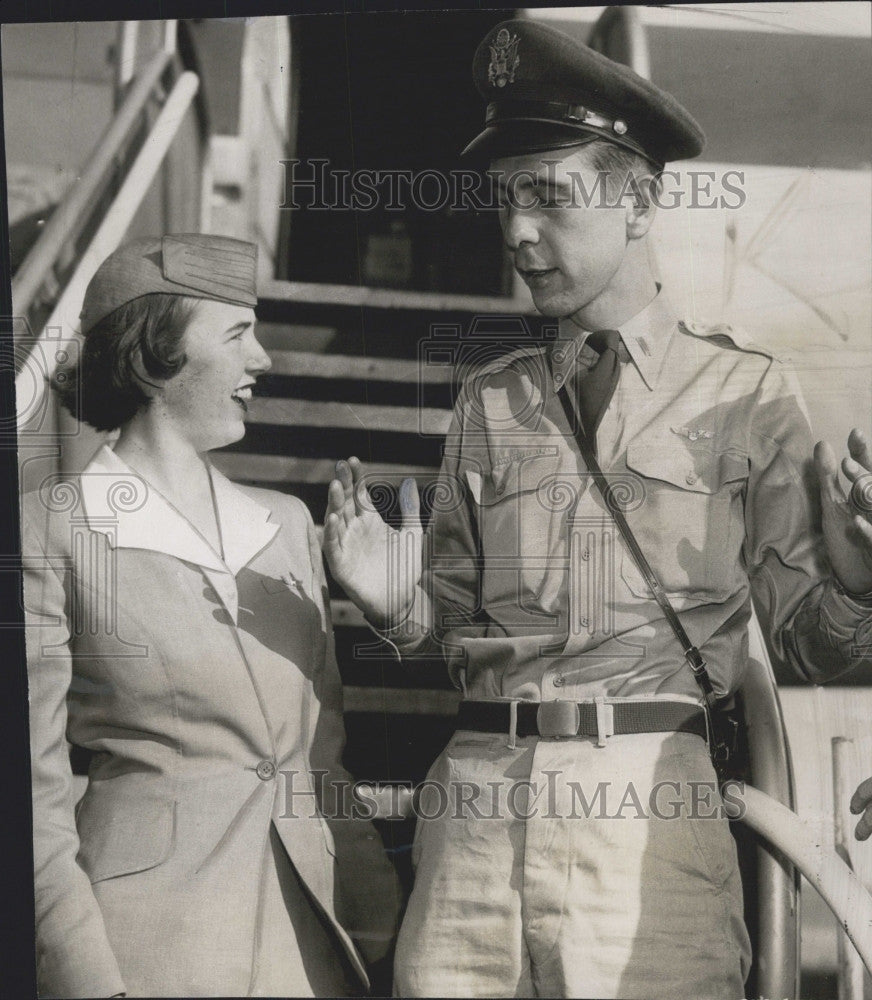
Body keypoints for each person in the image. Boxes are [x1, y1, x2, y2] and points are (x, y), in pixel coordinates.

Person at [322, 19, 872, 1000]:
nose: (514, 232)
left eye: (544, 196)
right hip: (474, 821)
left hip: (645, 829)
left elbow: (808, 647)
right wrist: (395, 604)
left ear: (637, 200)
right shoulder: (487, 401)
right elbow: (449, 617)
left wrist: (859, 579)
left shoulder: (741, 395)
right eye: (501, 201)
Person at [23, 234, 400, 998]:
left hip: (314, 945)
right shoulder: (49, 529)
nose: (262, 358)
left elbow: (322, 757)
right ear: (154, 352)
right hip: (148, 950)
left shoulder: (288, 523)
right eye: (237, 334)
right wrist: (86, 978)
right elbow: (29, 795)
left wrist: (378, 921)